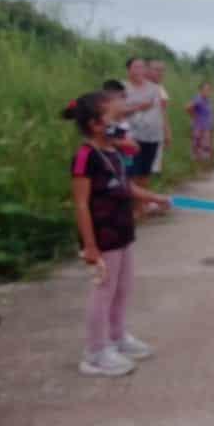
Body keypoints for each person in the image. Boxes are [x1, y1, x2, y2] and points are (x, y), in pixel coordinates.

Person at [63, 91, 171, 376]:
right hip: (102, 237)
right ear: (97, 124)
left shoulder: (113, 152)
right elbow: (81, 203)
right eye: (117, 118)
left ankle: (117, 337)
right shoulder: (85, 157)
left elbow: (125, 187)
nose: (123, 124)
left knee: (123, 288)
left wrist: (154, 197)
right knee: (103, 292)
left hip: (123, 231)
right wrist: (89, 245)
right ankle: (95, 352)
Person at [122, 58, 163, 217]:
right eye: (136, 66)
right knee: (132, 172)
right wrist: (138, 107)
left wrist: (164, 132)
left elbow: (158, 111)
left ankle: (142, 206)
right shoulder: (123, 88)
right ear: (128, 69)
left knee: (145, 173)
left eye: (142, 67)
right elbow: (118, 110)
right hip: (132, 136)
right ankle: (133, 208)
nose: (140, 70)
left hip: (152, 135)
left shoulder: (154, 88)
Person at [102, 79, 140, 172]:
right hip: (110, 159)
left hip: (124, 157)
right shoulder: (104, 116)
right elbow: (105, 139)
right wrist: (126, 143)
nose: (124, 99)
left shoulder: (119, 113)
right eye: (122, 96)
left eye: (124, 96)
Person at [147, 60, 172, 177]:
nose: (160, 73)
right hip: (139, 133)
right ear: (147, 70)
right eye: (156, 69)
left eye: (162, 70)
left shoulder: (160, 89)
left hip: (156, 132)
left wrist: (167, 132)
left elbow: (163, 112)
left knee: (153, 166)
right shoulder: (141, 87)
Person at [186, 81, 214, 163]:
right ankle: (198, 168)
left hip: (208, 128)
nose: (208, 91)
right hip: (200, 128)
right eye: (206, 89)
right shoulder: (198, 99)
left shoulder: (208, 100)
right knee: (199, 148)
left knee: (206, 148)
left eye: (209, 89)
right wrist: (194, 116)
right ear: (201, 90)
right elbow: (188, 107)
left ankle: (204, 167)